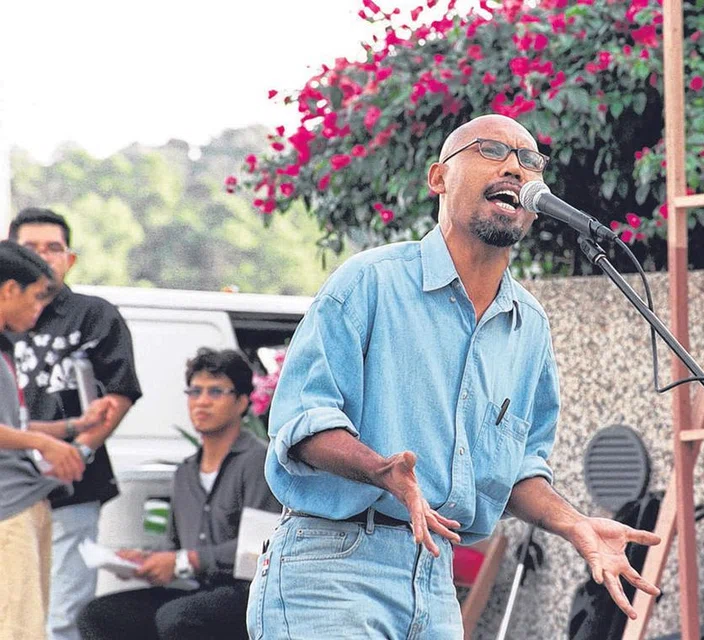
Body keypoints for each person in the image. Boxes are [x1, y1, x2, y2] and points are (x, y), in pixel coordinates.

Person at [247, 114, 661, 639]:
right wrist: (381, 471)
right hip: (333, 563)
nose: (514, 166)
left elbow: (518, 471)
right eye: (491, 150)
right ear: (437, 178)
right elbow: (302, 422)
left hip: (434, 575)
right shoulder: (369, 283)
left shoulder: (527, 327)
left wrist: (573, 523)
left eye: (529, 160)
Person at [77, 348, 281, 640]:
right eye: (195, 392)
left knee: (178, 618)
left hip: (248, 594)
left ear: (242, 402)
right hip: (198, 591)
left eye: (215, 392)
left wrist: (188, 561)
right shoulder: (184, 473)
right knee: (99, 615)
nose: (202, 402)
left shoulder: (257, 461)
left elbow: (258, 549)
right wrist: (143, 561)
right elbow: (176, 546)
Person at [6, 207, 143, 640]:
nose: (45, 258)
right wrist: (47, 445)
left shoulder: (94, 315)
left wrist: (75, 443)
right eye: (32, 249)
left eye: (55, 248)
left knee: (62, 615)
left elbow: (118, 395)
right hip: (11, 495)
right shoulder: (9, 328)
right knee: (19, 617)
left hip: (71, 486)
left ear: (72, 257)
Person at [0, 241, 114, 640]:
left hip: (26, 501)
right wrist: (50, 447)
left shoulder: (7, 349)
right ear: (8, 289)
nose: (39, 310)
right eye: (35, 298)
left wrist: (72, 427)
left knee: (35, 623)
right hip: (7, 508)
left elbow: (15, 424)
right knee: (19, 629)